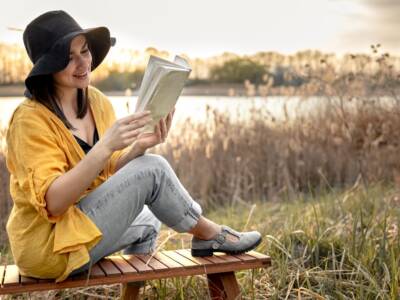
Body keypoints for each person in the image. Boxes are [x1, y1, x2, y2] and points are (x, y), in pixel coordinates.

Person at [5, 10, 262, 283]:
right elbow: (54, 202)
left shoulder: (97, 101)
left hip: (79, 229)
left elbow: (109, 175)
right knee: (153, 169)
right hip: (48, 247)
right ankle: (209, 234)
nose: (83, 63)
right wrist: (105, 146)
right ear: (49, 66)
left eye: (85, 51)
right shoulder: (29, 120)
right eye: (69, 58)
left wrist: (138, 148)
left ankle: (135, 293)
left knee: (148, 222)